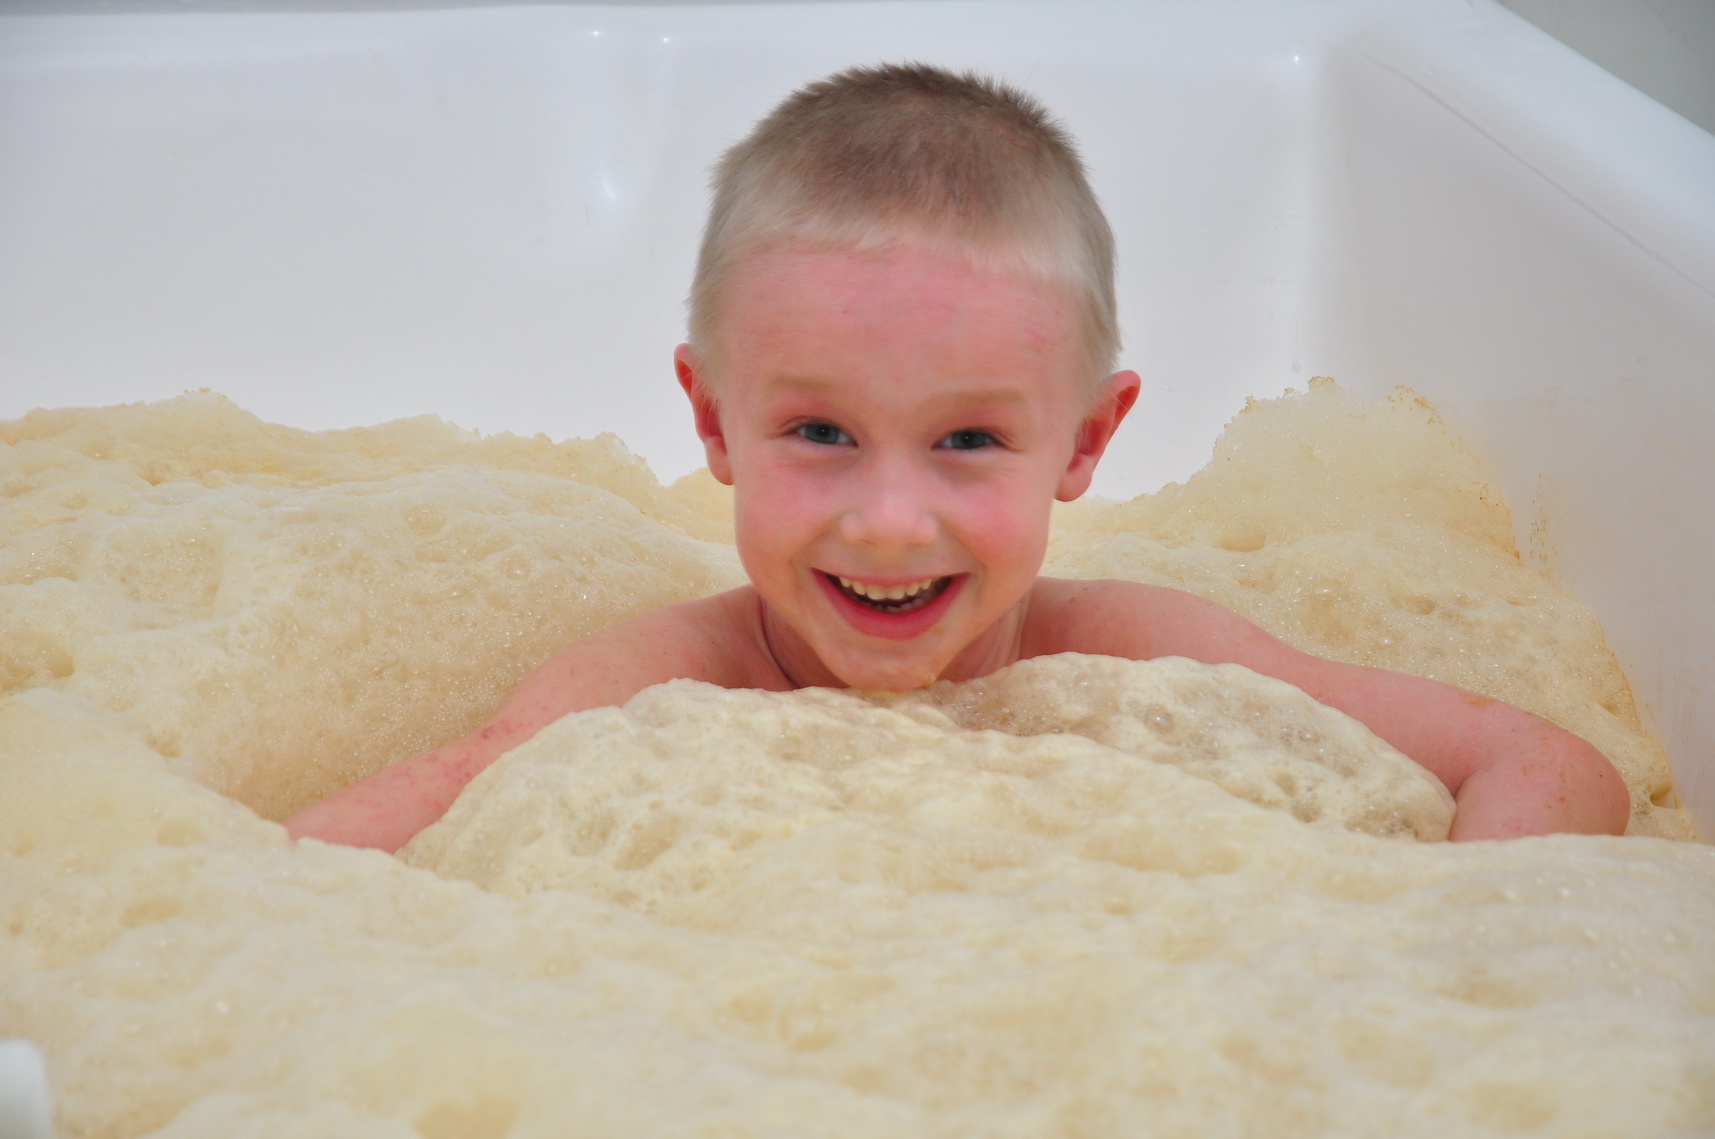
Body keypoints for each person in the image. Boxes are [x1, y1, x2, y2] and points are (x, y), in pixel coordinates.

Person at [285, 63, 1628, 853]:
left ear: (1085, 441)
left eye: (968, 441)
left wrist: (1437, 951)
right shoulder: (654, 686)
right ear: (713, 424)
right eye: (821, 433)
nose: (888, 521)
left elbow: (1548, 764)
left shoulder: (1146, 657)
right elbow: (339, 855)